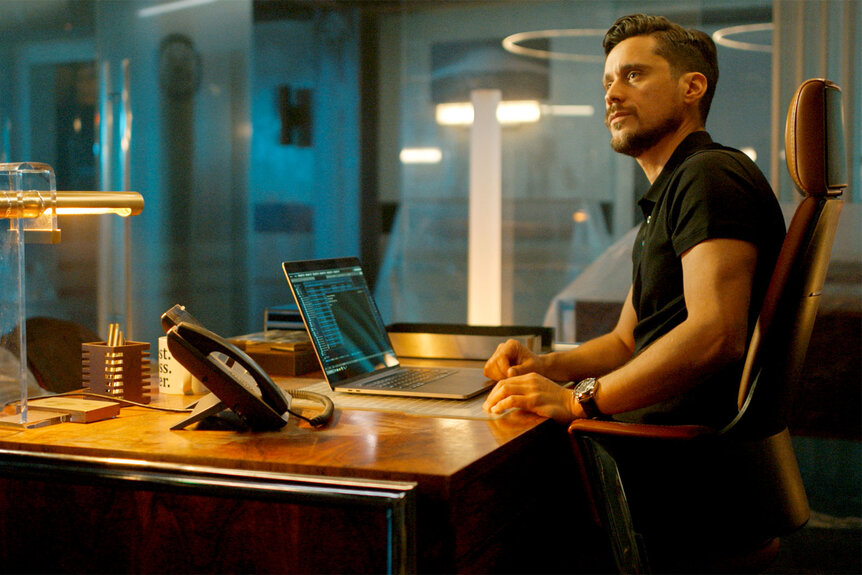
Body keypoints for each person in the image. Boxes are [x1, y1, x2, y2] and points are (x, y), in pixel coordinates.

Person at [483, 14, 786, 429]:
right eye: (608, 82)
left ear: (692, 88)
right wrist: (544, 365)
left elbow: (717, 334)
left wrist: (577, 402)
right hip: (649, 434)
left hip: (673, 450)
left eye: (633, 76)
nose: (612, 94)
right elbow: (626, 343)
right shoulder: (673, 189)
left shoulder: (709, 175)